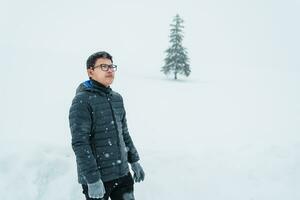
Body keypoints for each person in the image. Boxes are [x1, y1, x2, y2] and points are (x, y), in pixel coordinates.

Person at [69, 51, 145, 200]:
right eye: (104, 66)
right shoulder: (82, 101)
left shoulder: (117, 98)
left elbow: (124, 133)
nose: (110, 70)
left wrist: (134, 160)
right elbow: (80, 143)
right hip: (99, 180)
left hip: (122, 175)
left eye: (111, 66)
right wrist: (92, 180)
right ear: (90, 71)